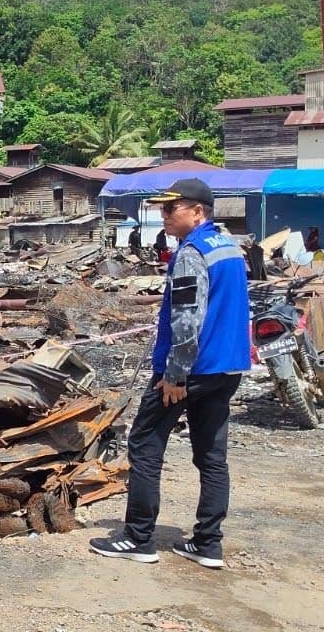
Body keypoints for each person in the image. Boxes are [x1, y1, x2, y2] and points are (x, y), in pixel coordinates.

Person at [91, 178, 250, 570]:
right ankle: (208, 543)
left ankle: (137, 537)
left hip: (190, 371)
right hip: (227, 367)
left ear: (197, 212)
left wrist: (175, 376)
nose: (163, 215)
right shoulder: (229, 247)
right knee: (212, 456)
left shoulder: (192, 253)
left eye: (170, 208)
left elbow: (187, 320)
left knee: (145, 444)